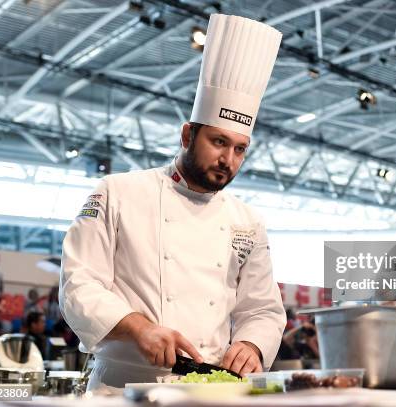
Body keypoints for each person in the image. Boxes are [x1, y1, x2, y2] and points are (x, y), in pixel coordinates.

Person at [60, 14, 286, 390]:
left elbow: (261, 308)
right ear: (187, 135)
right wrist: (139, 329)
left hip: (208, 392)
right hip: (121, 389)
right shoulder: (116, 192)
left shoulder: (248, 221)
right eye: (218, 142)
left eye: (239, 149)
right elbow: (78, 285)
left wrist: (251, 343)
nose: (227, 159)